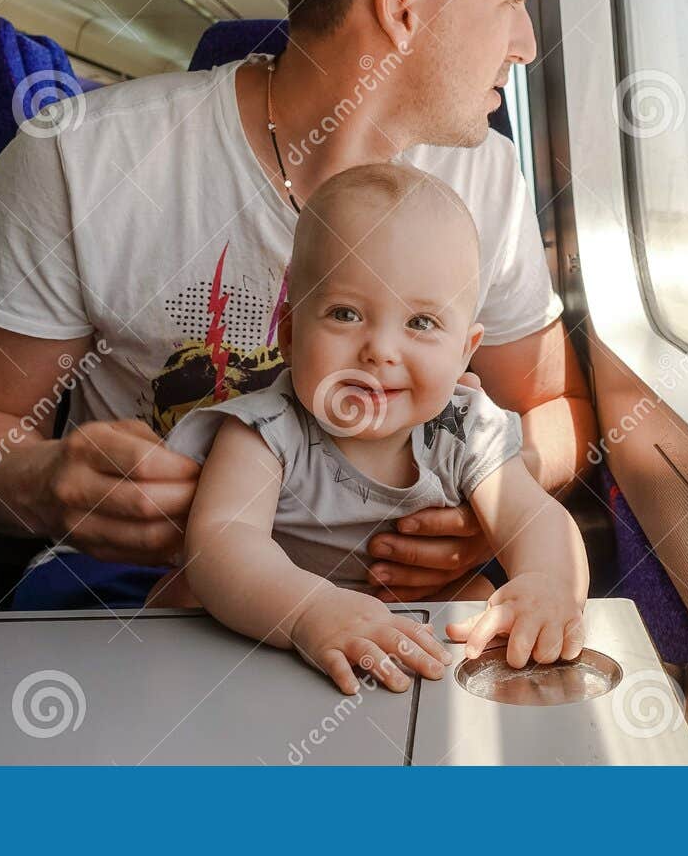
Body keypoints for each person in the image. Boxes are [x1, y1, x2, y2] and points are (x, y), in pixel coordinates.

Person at [0, 0, 597, 609]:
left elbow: (558, 407)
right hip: (148, 602)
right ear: (404, 6)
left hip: (390, 603)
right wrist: (45, 481)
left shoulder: (485, 179)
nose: (524, 41)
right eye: (512, 0)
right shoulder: (82, 157)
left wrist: (492, 503)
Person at [160, 163, 588, 694]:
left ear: (465, 352)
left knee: (481, 600)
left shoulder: (463, 427)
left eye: (421, 323)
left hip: (412, 628)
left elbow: (535, 518)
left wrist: (546, 584)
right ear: (290, 334)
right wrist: (309, 611)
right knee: (184, 598)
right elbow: (222, 545)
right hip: (279, 616)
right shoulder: (267, 428)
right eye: (344, 314)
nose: (381, 350)